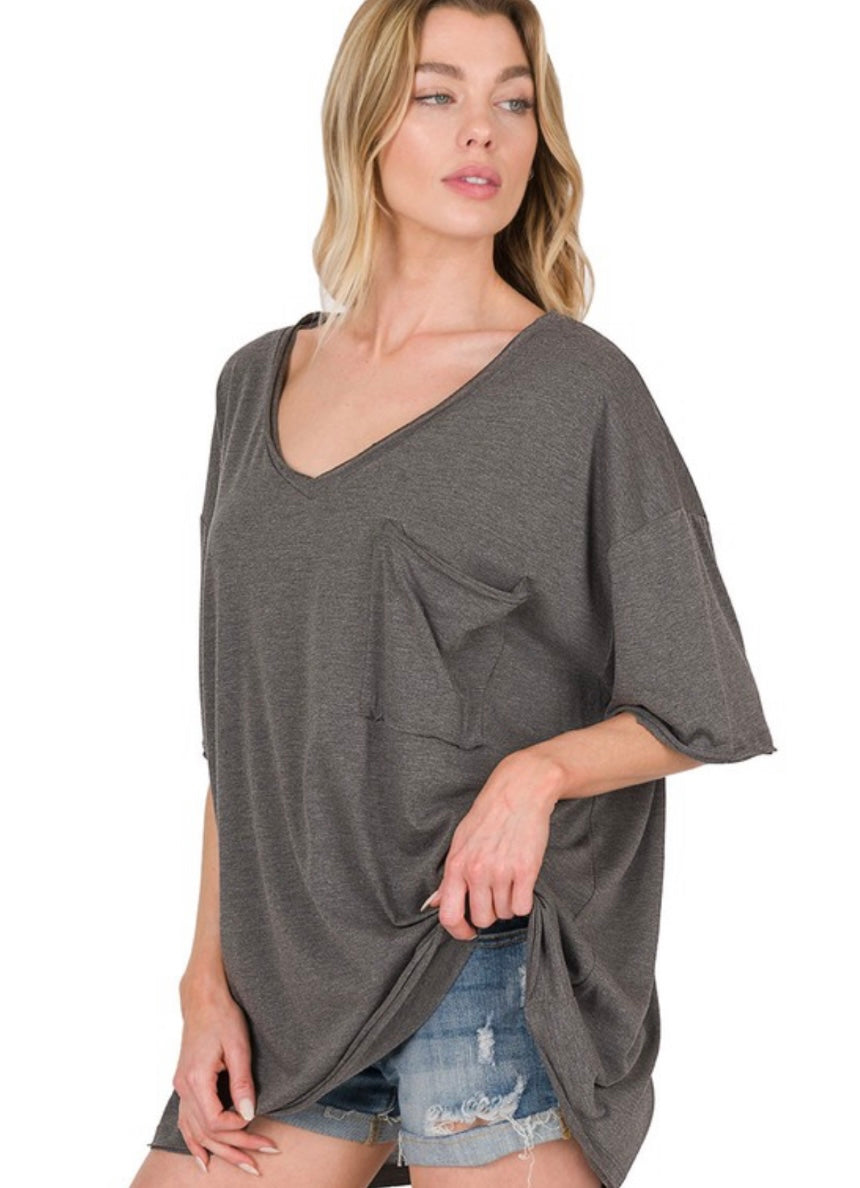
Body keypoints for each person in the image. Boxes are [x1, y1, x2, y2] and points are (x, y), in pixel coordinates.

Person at [129, 2, 776, 1186]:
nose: (482, 130)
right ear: (364, 123)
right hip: (285, 979)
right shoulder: (252, 384)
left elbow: (700, 700)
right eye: (437, 95)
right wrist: (203, 978)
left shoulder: (575, 391)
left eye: (511, 100)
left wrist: (534, 776)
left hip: (482, 957)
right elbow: (248, 726)